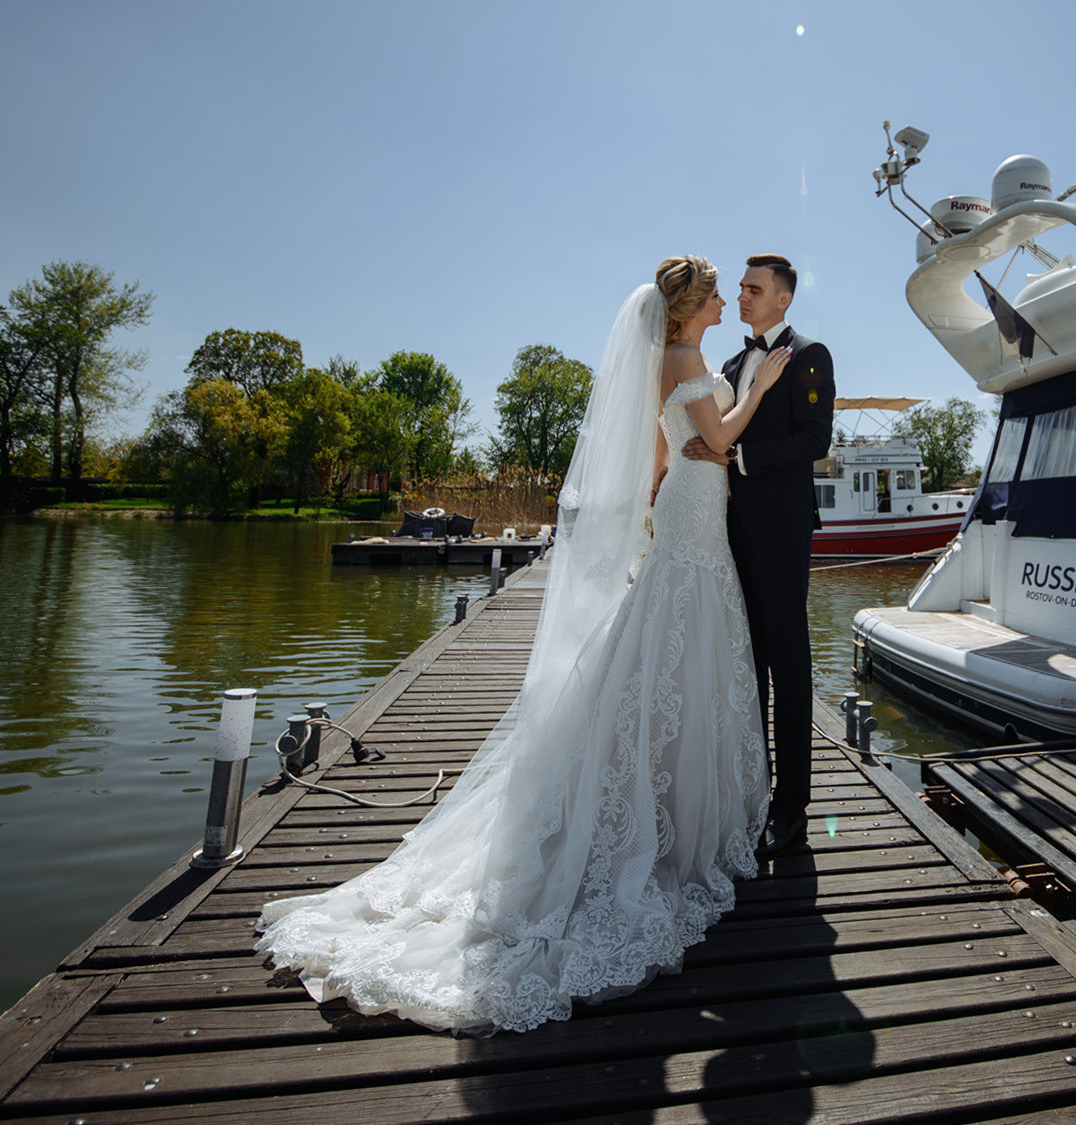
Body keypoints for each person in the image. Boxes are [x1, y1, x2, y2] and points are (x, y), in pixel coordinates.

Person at [256, 255, 790, 1035]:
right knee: (684, 648)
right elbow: (718, 434)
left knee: (667, 650)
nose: (721, 303)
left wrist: (666, 490)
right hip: (696, 511)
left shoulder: (667, 359)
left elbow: (665, 454)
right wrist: (758, 390)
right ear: (688, 308)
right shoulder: (686, 357)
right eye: (714, 294)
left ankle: (664, 787)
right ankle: (672, 810)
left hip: (688, 506)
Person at [684, 253, 835, 857]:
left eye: (754, 289)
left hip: (780, 532)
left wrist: (737, 460)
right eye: (741, 289)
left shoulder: (810, 355)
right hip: (729, 533)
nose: (742, 297)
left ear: (784, 299)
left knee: (789, 664)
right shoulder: (727, 363)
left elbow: (814, 440)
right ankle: (754, 791)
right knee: (746, 667)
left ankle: (793, 808)